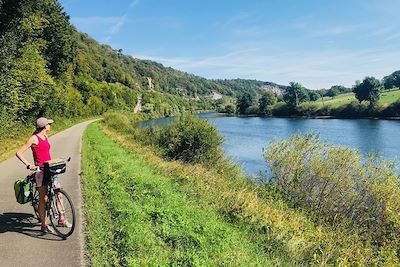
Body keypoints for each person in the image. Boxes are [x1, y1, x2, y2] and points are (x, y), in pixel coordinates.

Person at [16, 117, 70, 233]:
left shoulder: (45, 137)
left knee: (58, 193)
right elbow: (19, 152)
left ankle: (61, 219)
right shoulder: (34, 138)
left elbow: (45, 153)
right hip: (40, 171)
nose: (50, 125)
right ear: (44, 126)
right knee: (43, 198)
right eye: (49, 124)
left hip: (50, 169)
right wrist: (29, 165)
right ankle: (44, 224)